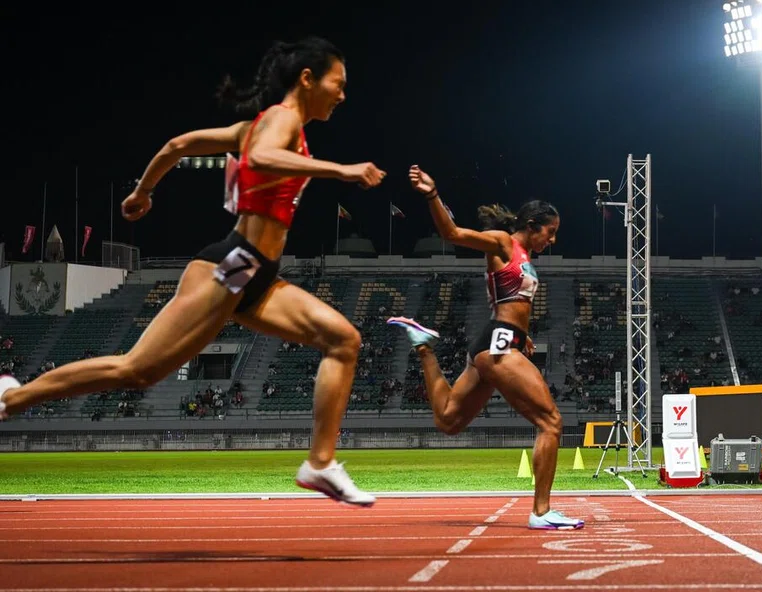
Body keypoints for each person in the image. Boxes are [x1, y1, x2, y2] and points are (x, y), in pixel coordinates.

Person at [0, 37, 384, 507]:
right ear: (308, 79)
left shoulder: (259, 126)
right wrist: (341, 170)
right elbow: (261, 158)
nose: (343, 95)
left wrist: (144, 192)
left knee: (343, 340)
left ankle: (320, 464)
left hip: (258, 273)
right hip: (231, 264)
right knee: (136, 370)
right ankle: (10, 398)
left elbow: (178, 145)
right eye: (337, 83)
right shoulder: (280, 121)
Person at [387, 165, 584, 530]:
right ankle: (541, 513)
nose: (552, 240)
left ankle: (424, 347)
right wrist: (432, 194)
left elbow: (514, 306)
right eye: (550, 232)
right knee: (551, 422)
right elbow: (452, 232)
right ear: (531, 225)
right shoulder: (503, 243)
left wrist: (523, 337)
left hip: (496, 344)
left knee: (448, 420)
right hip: (498, 344)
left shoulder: (525, 259)